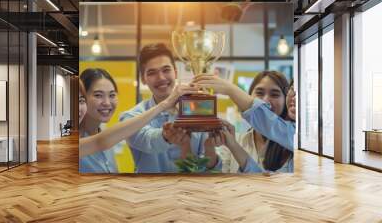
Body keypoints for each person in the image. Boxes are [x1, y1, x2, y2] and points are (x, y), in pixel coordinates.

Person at [119, 43, 221, 173]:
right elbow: (149, 140)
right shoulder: (131, 118)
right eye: (152, 73)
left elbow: (209, 167)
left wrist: (212, 144)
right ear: (143, 79)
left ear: (176, 73)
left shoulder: (198, 110)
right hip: (149, 192)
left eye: (166, 70)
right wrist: (166, 134)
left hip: (191, 191)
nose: (161, 78)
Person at [79, 68, 199, 173]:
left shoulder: (103, 132)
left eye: (112, 95)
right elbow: (102, 141)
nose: (107, 103)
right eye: (98, 95)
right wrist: (164, 104)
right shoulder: (79, 137)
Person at [194, 71, 295, 173]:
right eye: (259, 93)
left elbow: (266, 185)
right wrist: (209, 148)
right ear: (249, 95)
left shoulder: (293, 142)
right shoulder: (236, 139)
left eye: (274, 94)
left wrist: (229, 89)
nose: (265, 101)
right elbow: (219, 178)